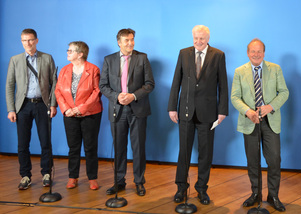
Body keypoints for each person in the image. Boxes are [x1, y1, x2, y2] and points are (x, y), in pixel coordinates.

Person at [168, 25, 228, 205]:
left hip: (208, 113)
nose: (198, 42)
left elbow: (223, 85)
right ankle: (181, 188)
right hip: (185, 111)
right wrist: (172, 107)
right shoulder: (184, 53)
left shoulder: (218, 55)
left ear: (208, 38)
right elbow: (176, 81)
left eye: (201, 38)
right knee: (184, 152)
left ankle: (202, 189)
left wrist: (222, 110)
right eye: (195, 38)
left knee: (205, 153)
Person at [231, 38, 289, 212]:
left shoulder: (275, 69)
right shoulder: (239, 71)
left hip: (270, 121)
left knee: (274, 160)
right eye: (252, 51)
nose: (256, 54)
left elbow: (284, 92)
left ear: (264, 53)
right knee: (253, 161)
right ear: (248, 53)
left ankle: (273, 196)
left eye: (259, 51)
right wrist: (248, 112)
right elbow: (234, 97)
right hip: (250, 122)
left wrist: (270, 107)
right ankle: (255, 194)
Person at [99, 28, 155, 196]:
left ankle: (139, 182)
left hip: (138, 109)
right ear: (119, 42)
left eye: (132, 40)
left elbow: (150, 84)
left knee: (138, 148)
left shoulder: (142, 58)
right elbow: (103, 85)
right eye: (126, 40)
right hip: (117, 110)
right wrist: (117, 97)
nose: (130, 43)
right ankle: (119, 182)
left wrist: (133, 96)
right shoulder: (108, 60)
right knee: (119, 148)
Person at [5, 28, 57, 190]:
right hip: (23, 106)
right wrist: (11, 109)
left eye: (30, 40)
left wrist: (53, 104)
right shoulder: (15, 60)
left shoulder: (47, 58)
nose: (27, 43)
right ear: (21, 42)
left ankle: (46, 174)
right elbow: (9, 85)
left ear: (36, 40)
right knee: (22, 144)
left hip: (43, 104)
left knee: (45, 141)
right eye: (24, 40)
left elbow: (54, 83)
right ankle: (25, 175)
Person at [55, 41, 103, 190]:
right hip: (69, 114)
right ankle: (72, 177)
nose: (67, 52)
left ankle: (92, 178)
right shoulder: (64, 70)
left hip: (90, 114)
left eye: (70, 50)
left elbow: (96, 92)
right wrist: (66, 109)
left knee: (90, 147)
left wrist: (79, 109)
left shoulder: (93, 69)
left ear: (80, 54)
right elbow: (58, 91)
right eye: (68, 50)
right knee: (73, 147)